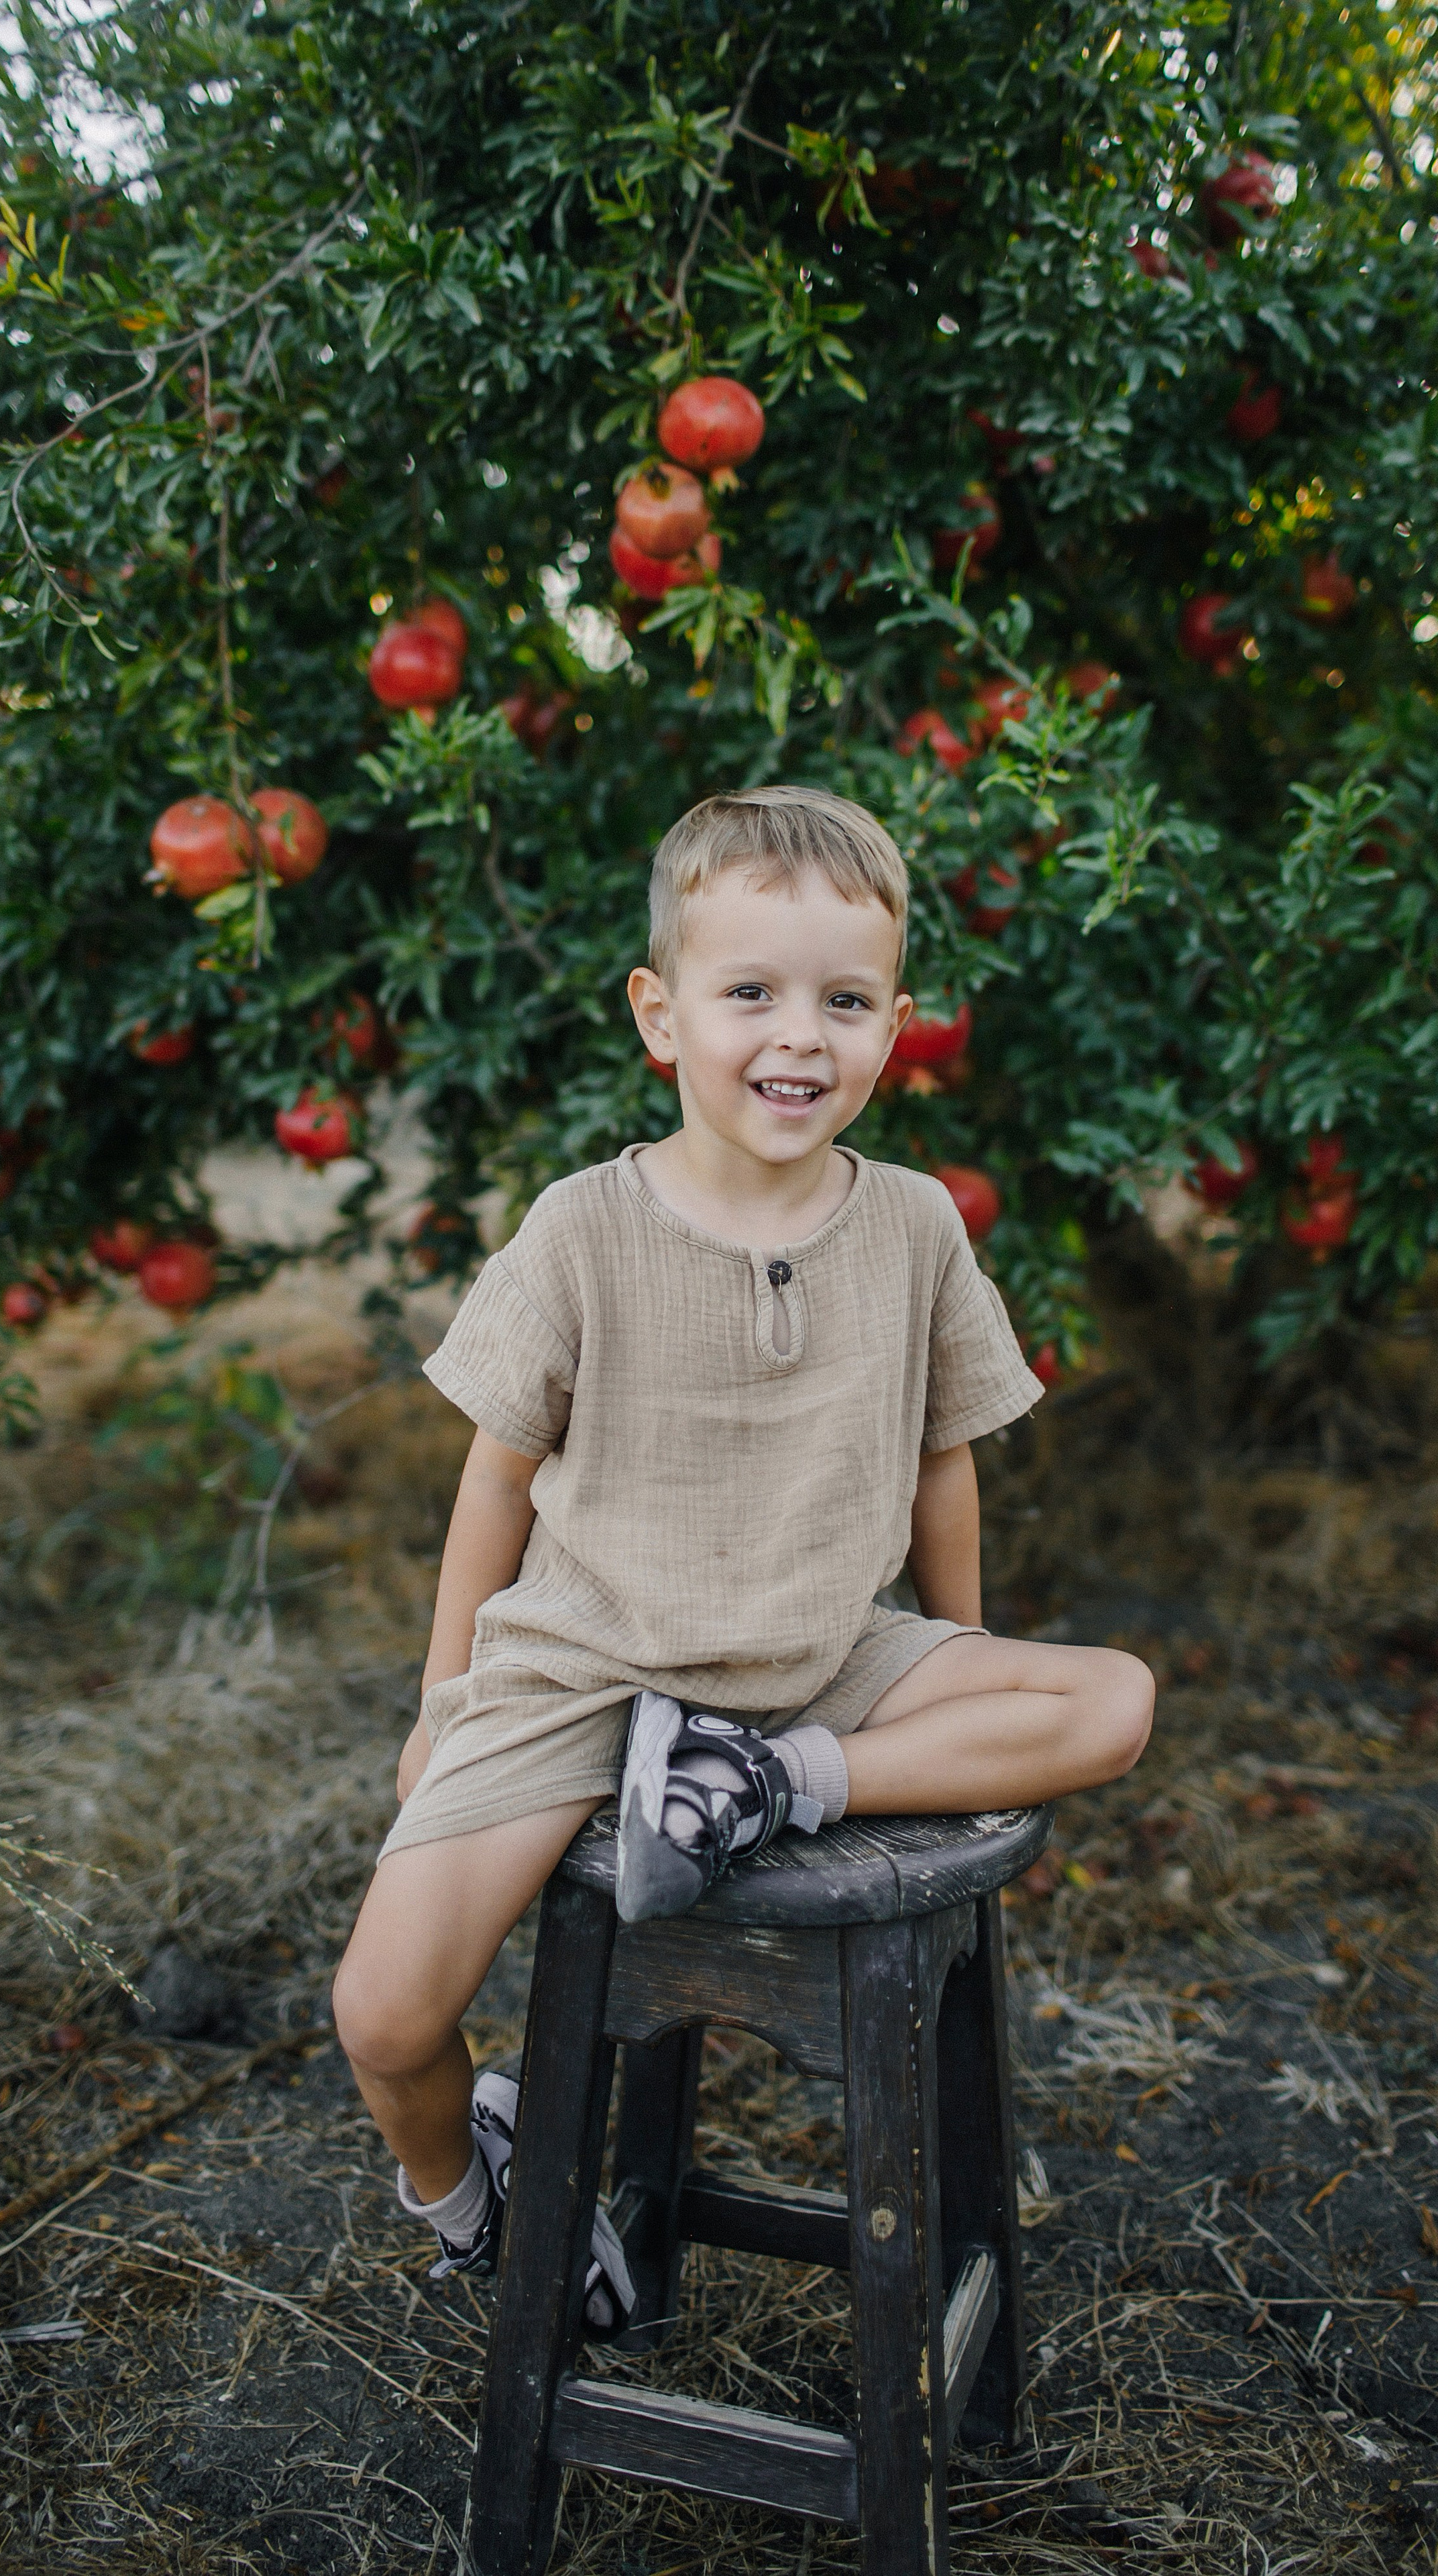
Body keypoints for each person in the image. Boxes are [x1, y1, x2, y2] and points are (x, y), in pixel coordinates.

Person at [333, 785, 1154, 2329]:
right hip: (587, 1668)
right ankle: (473, 2200)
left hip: (822, 1666)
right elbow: (491, 1480)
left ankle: (754, 1784)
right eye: (751, 994)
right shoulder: (582, 1229)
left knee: (1109, 1700)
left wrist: (961, 1669)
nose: (800, 1036)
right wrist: (443, 1692)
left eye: (843, 1001)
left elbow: (940, 1464)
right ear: (661, 1016)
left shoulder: (912, 1227)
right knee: (380, 2013)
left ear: (894, 1027)